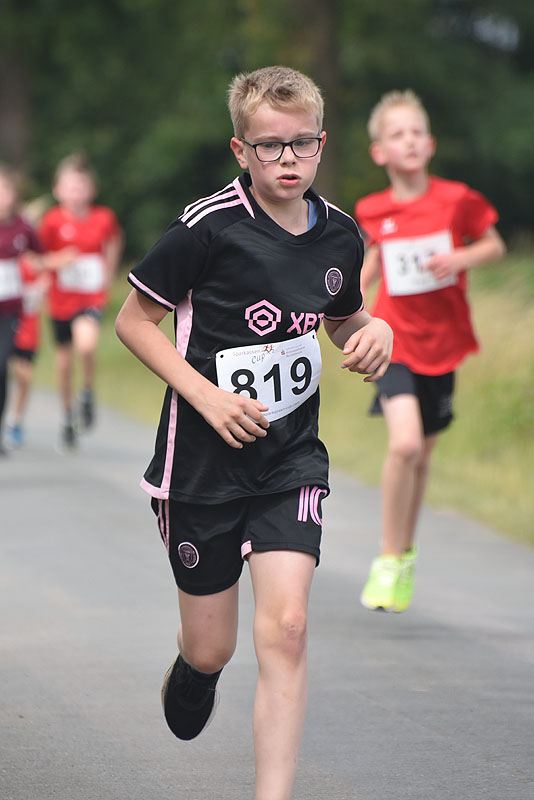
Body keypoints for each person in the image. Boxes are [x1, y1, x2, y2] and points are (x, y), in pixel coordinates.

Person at [115, 66, 393, 800]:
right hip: (200, 465)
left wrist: (376, 332)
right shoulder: (207, 228)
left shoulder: (340, 234)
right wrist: (206, 396)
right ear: (241, 150)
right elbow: (133, 322)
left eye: (302, 143)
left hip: (290, 459)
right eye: (270, 146)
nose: (287, 159)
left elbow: (341, 317)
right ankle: (196, 667)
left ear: (322, 143)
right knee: (214, 645)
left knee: (289, 627)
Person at [354, 90, 506, 613]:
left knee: (422, 456)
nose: (410, 141)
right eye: (398, 134)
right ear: (380, 152)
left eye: (417, 132)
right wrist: (345, 306)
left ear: (431, 143)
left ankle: (404, 553)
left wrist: (459, 258)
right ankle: (387, 556)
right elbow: (370, 265)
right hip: (393, 340)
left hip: (443, 345)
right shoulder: (372, 209)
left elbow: (494, 245)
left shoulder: (457, 199)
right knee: (405, 446)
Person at [39, 152, 123, 450]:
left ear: (92, 190)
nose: (76, 193)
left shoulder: (103, 218)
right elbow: (37, 259)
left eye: (81, 186)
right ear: (57, 190)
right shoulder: (51, 221)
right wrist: (58, 261)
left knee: (86, 344)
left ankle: (86, 391)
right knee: (63, 362)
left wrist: (108, 274)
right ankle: (66, 415)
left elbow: (114, 241)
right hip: (61, 299)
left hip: (90, 297)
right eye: (70, 187)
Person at [0, 164, 43, 456]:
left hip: (10, 311)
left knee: (2, 366)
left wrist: (39, 282)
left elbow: (40, 258)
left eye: (6, 191)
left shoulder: (23, 228)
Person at [5, 255, 50, 448]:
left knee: (24, 375)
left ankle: (15, 420)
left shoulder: (39, 261)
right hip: (6, 322)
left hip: (28, 328)